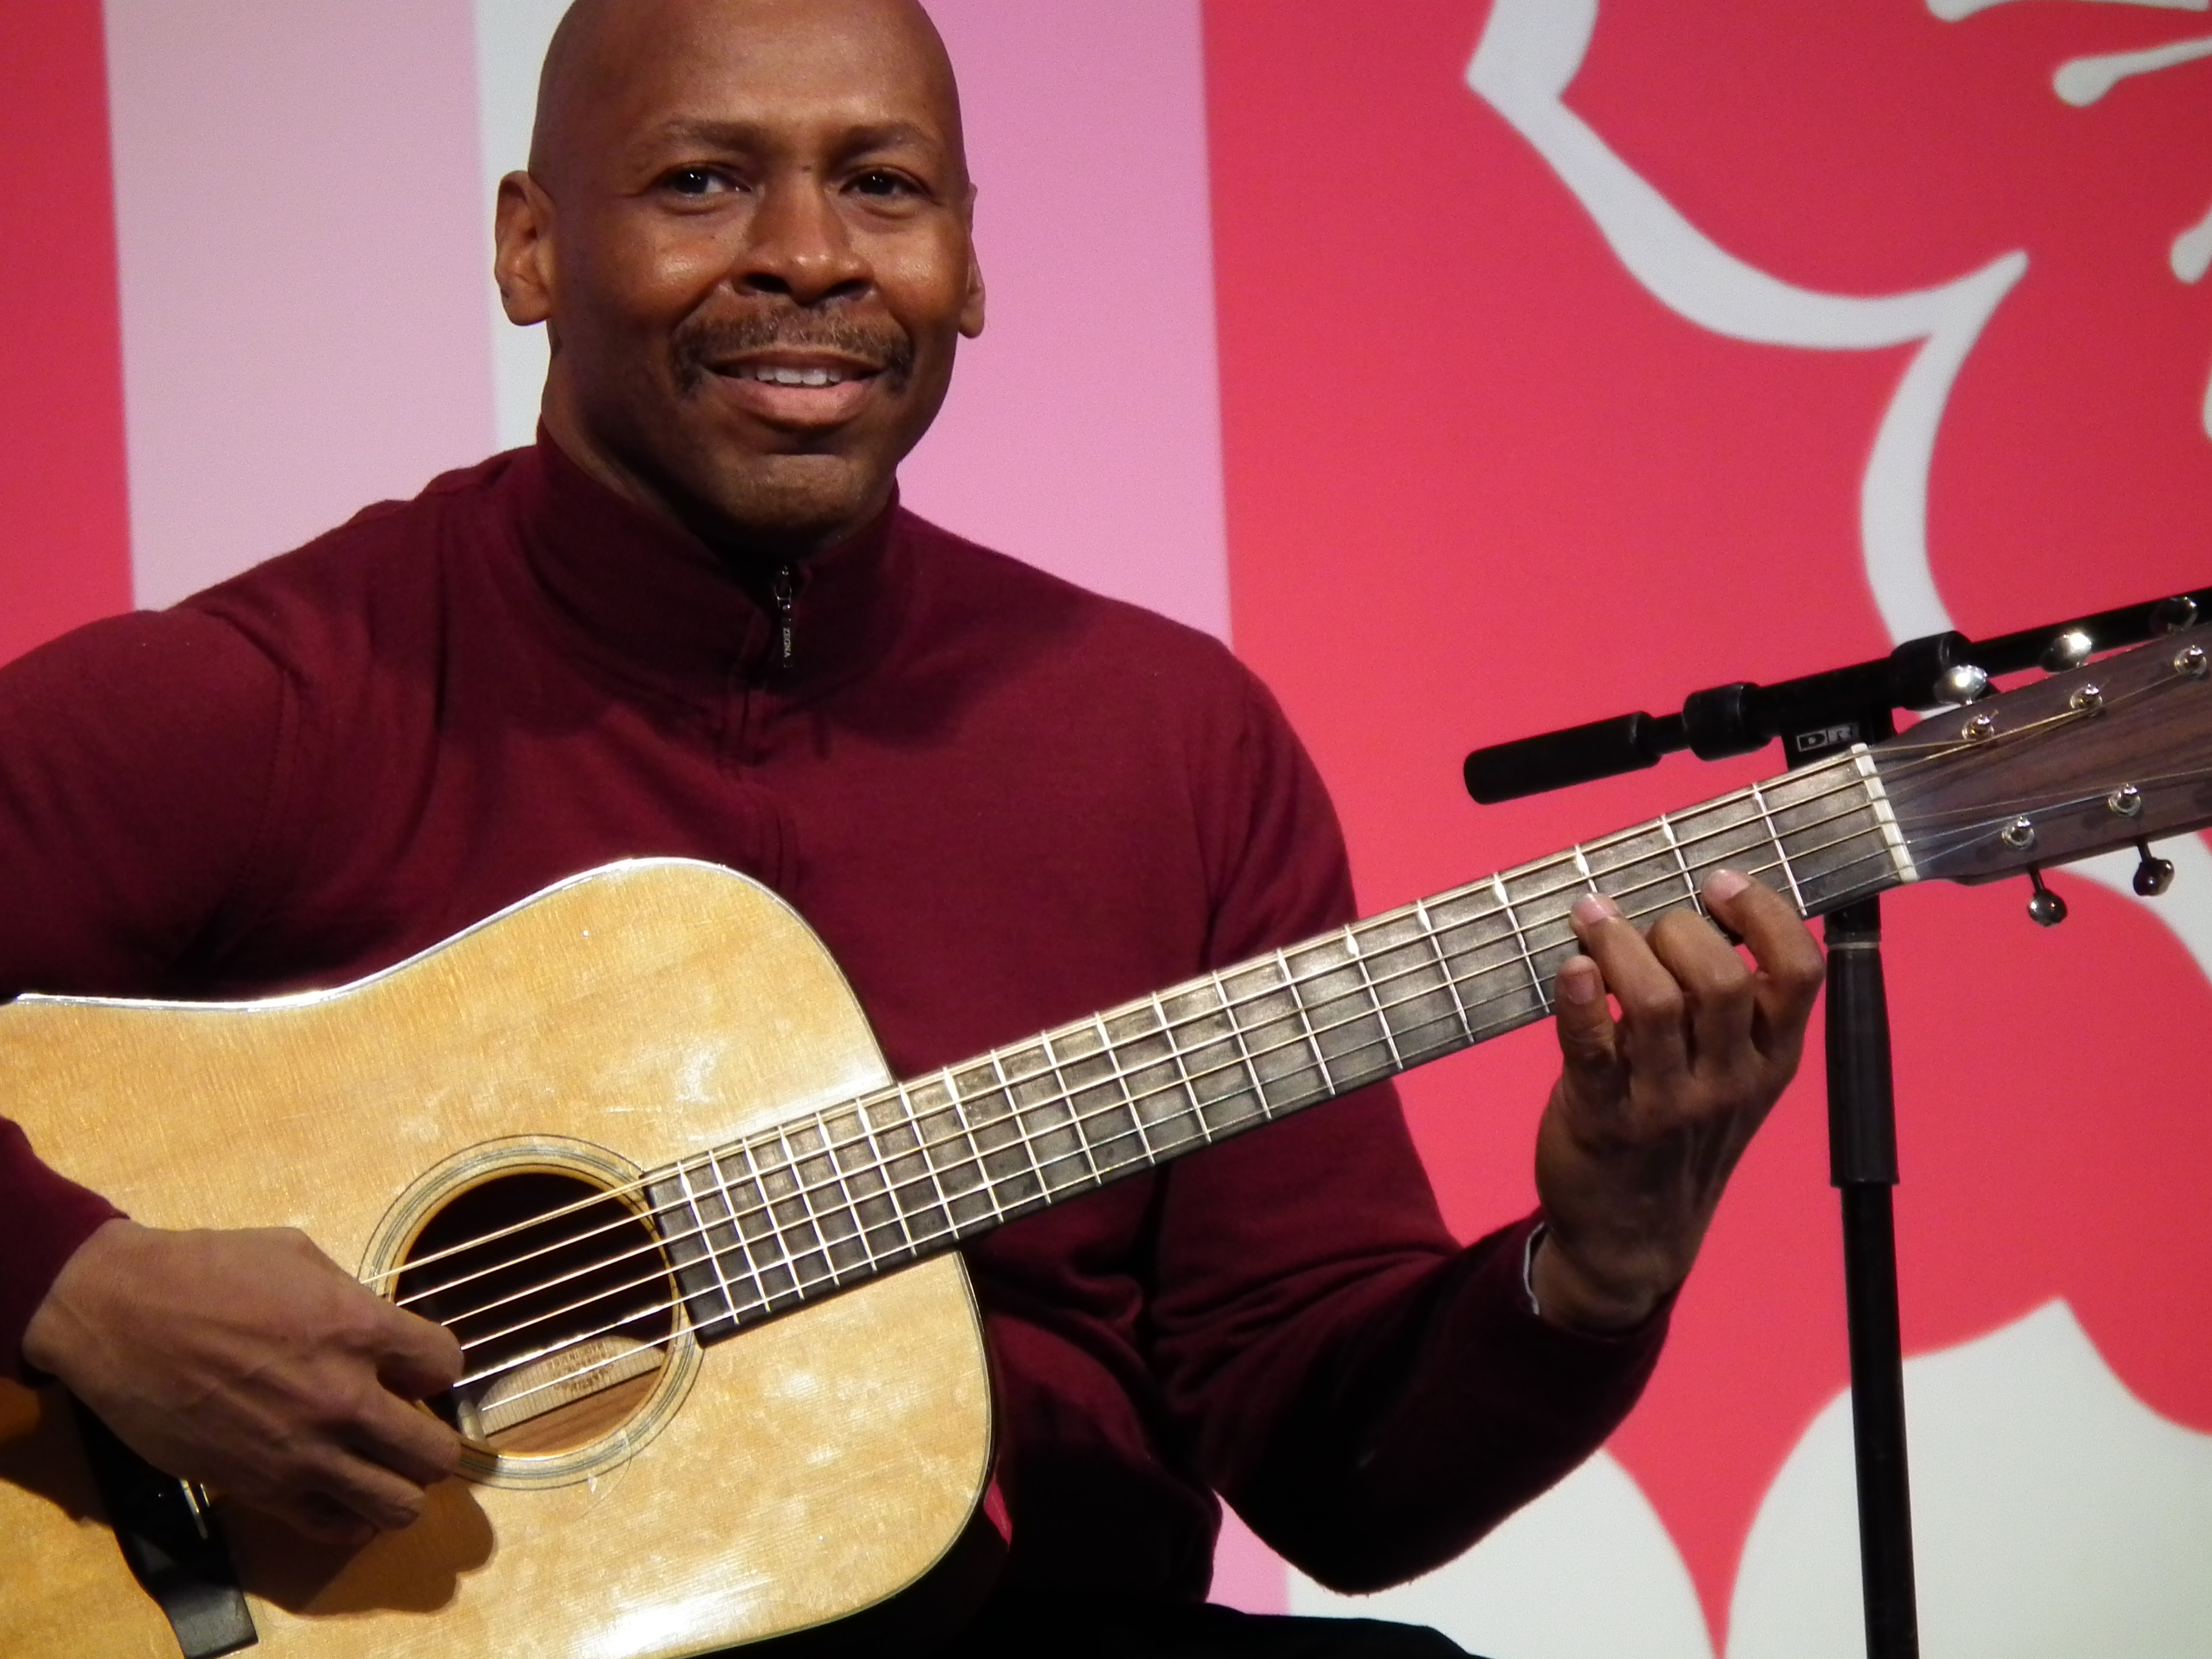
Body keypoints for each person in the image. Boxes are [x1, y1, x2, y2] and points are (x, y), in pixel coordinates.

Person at [0, 1, 1825, 1652]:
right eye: (704, 181)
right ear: (533, 246)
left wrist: (1592, 1274)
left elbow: (1342, 1491)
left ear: (968, 263)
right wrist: (75, 1289)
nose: (805, 257)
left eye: (881, 187)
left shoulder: (1170, 740)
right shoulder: (287, 691)